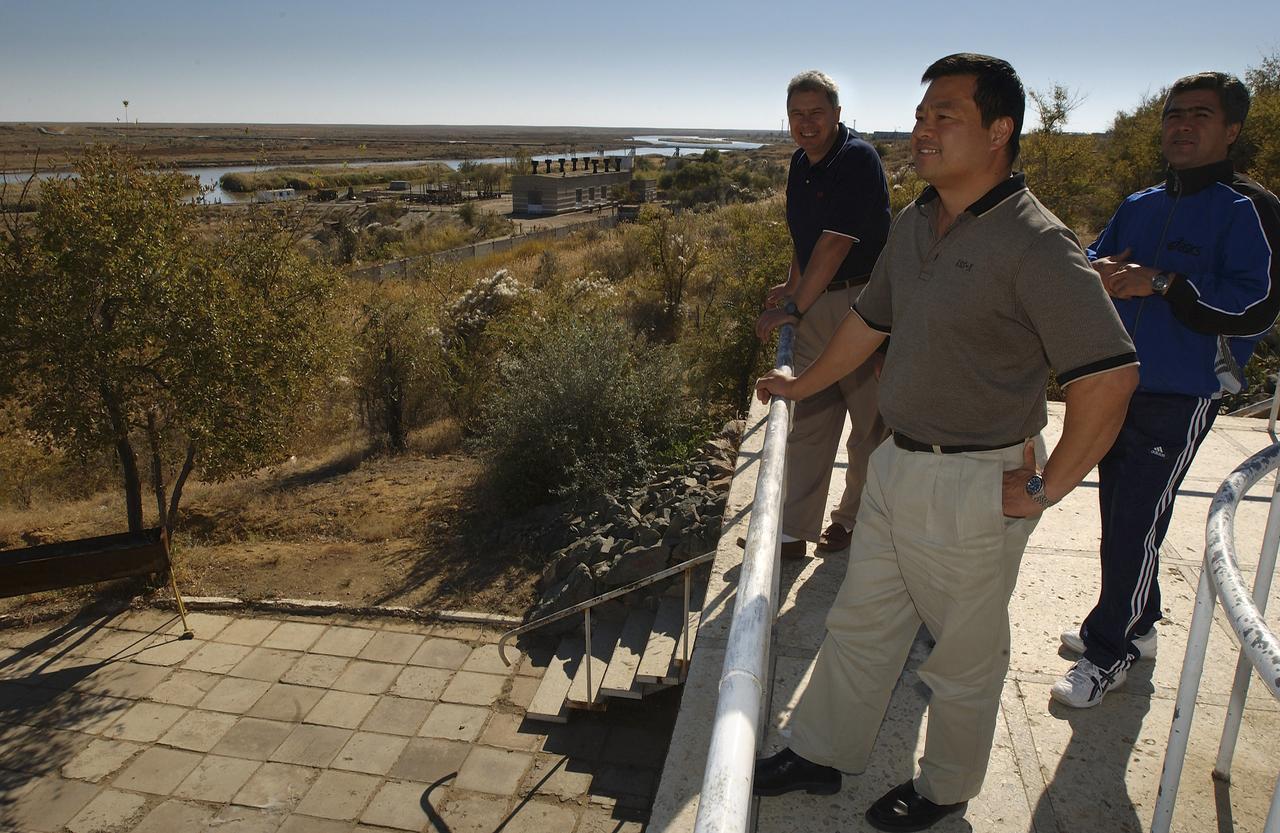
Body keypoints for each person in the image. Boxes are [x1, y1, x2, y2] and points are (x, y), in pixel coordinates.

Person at [751, 54, 1139, 832]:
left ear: (999, 131)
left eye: (944, 116)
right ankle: (823, 751)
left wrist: (1045, 486)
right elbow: (869, 322)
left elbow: (1110, 375)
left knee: (961, 659)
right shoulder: (917, 221)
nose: (923, 129)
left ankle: (944, 790)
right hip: (898, 462)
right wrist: (802, 382)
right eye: (922, 114)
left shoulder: (1038, 243)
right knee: (861, 622)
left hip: (976, 482)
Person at [1054, 72, 1280, 708]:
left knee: (1135, 521)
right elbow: (1093, 264)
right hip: (1115, 382)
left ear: (1231, 130)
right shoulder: (1142, 202)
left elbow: (1257, 306)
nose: (1181, 125)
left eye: (1200, 116)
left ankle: (1110, 650)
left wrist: (1164, 284)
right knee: (1120, 513)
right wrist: (1094, 271)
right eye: (1174, 114)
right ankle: (1138, 622)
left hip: (1181, 392)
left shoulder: (1250, 210)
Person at [754, 70, 891, 558]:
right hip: (820, 299)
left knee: (868, 425)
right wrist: (792, 286)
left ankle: (852, 521)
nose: (806, 123)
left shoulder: (856, 159)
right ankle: (793, 530)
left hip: (863, 304)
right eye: (797, 114)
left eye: (816, 113)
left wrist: (795, 306)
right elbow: (807, 241)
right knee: (809, 415)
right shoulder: (800, 162)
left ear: (836, 114)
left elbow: (834, 246)